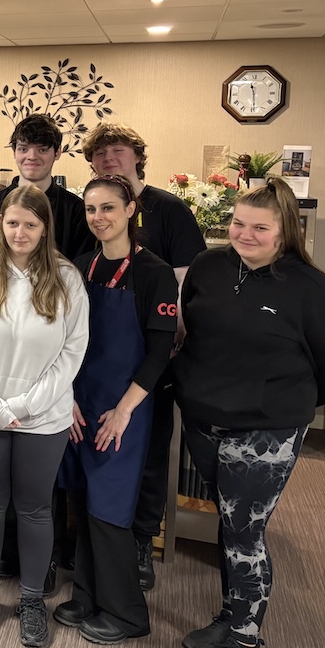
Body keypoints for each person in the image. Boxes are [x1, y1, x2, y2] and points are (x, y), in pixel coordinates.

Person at [171, 178, 325, 648]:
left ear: (285, 231)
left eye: (260, 227)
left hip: (266, 431)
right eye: (237, 223)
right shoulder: (210, 267)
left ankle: (246, 647)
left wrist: (282, 405)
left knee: (244, 533)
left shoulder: (310, 288)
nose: (245, 234)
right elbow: (191, 330)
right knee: (226, 522)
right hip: (206, 418)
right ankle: (233, 617)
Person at [0, 185, 88, 648]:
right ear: (1, 224)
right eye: (12, 223)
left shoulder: (67, 278)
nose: (20, 232)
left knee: (34, 508)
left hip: (43, 417)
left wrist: (25, 406)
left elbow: (72, 353)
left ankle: (32, 599)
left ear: (45, 227)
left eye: (31, 224)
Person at [82, 122, 206, 591]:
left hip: (153, 351)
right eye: (100, 152)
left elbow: (185, 279)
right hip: (97, 361)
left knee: (149, 451)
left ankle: (140, 541)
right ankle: (95, 539)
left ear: (137, 156)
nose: (109, 157)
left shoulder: (168, 210)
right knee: (97, 447)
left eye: (118, 150)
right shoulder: (88, 211)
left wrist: (166, 338)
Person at [54, 175, 178, 644]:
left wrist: (125, 410)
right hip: (78, 406)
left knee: (110, 508)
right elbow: (62, 341)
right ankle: (88, 595)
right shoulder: (80, 267)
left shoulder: (154, 273)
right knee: (83, 503)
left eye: (108, 208)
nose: (98, 218)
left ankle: (128, 614)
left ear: (131, 210)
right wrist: (64, 399)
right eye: (90, 210)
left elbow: (159, 351)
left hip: (124, 409)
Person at [0, 114, 94, 261]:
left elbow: (80, 267)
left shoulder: (76, 210)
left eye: (42, 150)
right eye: (23, 149)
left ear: (57, 153)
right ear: (14, 152)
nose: (32, 156)